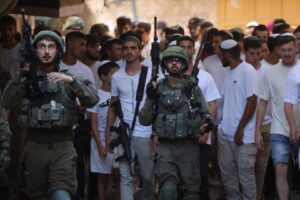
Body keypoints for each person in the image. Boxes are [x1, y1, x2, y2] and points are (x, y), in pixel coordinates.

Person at [1, 30, 99, 200]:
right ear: (35, 51)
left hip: (63, 147)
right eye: (41, 47)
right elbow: (6, 102)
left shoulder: (68, 77)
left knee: (61, 194)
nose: (46, 52)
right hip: (34, 148)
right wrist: (20, 76)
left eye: (51, 47)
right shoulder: (25, 80)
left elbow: (92, 99)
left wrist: (71, 82)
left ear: (58, 50)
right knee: (38, 196)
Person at [139, 45, 211, 199]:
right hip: (165, 147)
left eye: (178, 61)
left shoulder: (192, 88)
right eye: (170, 60)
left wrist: (207, 125)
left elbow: (206, 114)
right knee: (168, 190)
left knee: (191, 192)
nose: (174, 63)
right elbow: (143, 120)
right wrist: (150, 97)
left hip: (188, 147)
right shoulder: (157, 87)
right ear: (165, 64)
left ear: (184, 64)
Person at [105, 36, 154, 200]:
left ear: (139, 50)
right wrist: (108, 134)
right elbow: (113, 106)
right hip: (124, 133)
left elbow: (158, 104)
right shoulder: (117, 77)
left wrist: (157, 133)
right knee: (125, 177)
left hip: (146, 133)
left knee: (148, 177)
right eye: (126, 48)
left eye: (133, 48)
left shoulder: (150, 74)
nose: (129, 51)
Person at [256, 33, 299, 200]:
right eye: (283, 50)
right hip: (279, 129)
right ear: (278, 51)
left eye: (290, 49)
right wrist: (258, 131)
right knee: (280, 167)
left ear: (296, 48)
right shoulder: (271, 73)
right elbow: (262, 103)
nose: (287, 53)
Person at [177, 35, 220, 199]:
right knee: (180, 179)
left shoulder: (205, 77)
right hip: (177, 136)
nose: (186, 50)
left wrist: (207, 130)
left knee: (201, 177)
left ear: (194, 50)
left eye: (189, 47)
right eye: (182, 46)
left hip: (200, 135)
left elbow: (212, 105)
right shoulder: (168, 77)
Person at [218, 39, 258, 200]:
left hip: (243, 137)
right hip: (225, 135)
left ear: (226, 55)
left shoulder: (247, 70)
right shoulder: (228, 72)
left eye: (220, 54)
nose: (219, 57)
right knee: (228, 178)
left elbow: (252, 100)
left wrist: (240, 129)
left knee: (246, 178)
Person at [244, 36, 272, 199]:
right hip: (246, 126)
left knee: (260, 168)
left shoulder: (268, 71)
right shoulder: (240, 69)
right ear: (244, 52)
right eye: (251, 53)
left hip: (265, 125)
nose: (254, 57)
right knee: (246, 168)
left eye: (257, 53)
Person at [88, 61, 120, 200]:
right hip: (99, 139)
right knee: (102, 177)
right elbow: (93, 122)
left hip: (117, 138)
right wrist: (100, 144)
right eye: (114, 73)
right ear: (103, 76)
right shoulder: (96, 95)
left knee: (119, 174)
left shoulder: (120, 94)